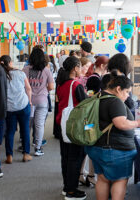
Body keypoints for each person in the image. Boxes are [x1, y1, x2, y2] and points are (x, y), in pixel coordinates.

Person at [85, 71, 140, 200]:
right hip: (115, 150)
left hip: (96, 147)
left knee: (102, 179)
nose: (127, 95)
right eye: (127, 92)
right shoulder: (115, 101)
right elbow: (121, 123)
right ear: (118, 89)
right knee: (120, 180)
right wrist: (138, 123)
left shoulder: (97, 96)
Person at [56, 56, 87, 200]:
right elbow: (85, 104)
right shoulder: (75, 85)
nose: (81, 70)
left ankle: (66, 187)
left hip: (62, 124)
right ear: (75, 68)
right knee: (75, 157)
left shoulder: (62, 83)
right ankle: (72, 191)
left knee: (66, 157)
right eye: (80, 66)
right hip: (74, 125)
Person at [0, 55, 32, 163]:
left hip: (9, 108)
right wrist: (30, 101)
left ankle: (9, 156)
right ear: (10, 62)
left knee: (10, 131)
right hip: (23, 105)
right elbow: (28, 89)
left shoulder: (0, 75)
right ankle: (26, 154)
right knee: (25, 129)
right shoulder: (20, 73)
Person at [23, 48, 54, 156]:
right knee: (39, 125)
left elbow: (22, 85)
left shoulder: (25, 69)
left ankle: (25, 147)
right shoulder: (46, 70)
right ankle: (38, 148)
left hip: (28, 101)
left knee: (27, 125)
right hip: (42, 101)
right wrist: (43, 90)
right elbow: (51, 86)